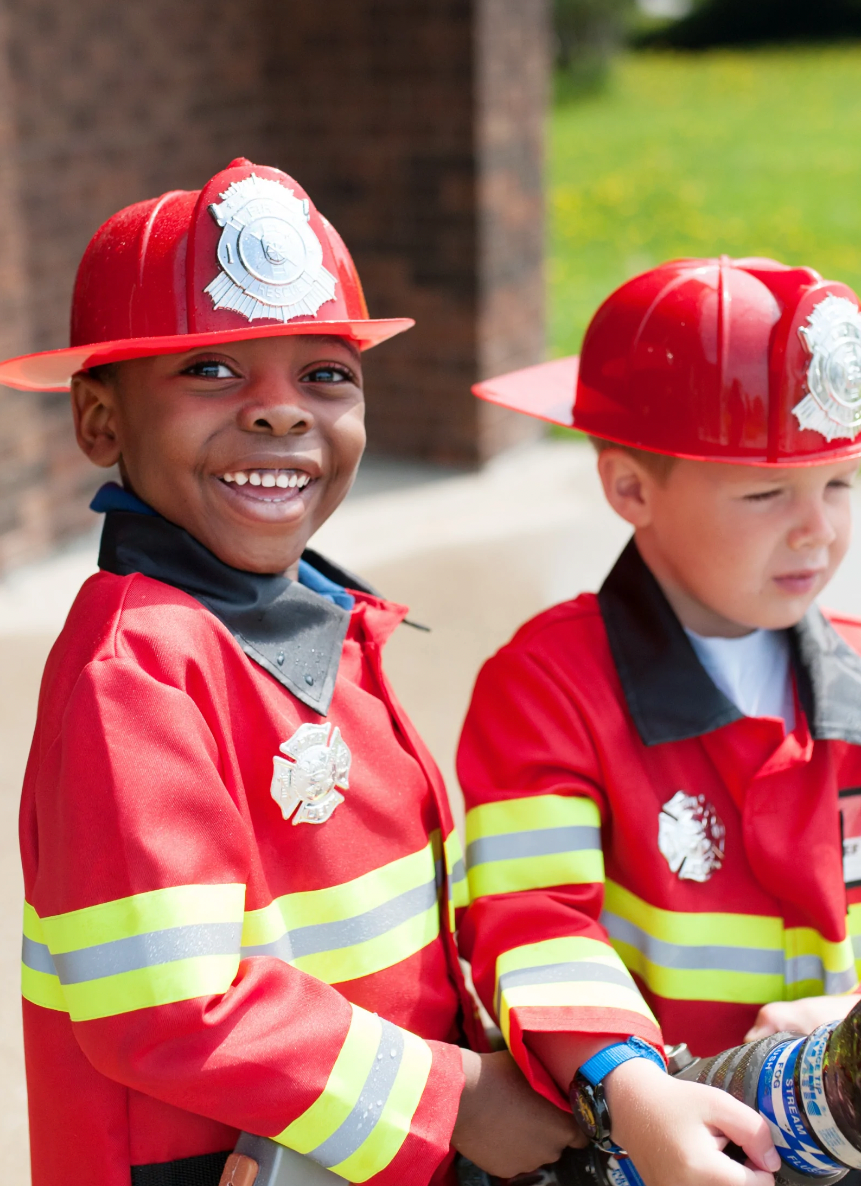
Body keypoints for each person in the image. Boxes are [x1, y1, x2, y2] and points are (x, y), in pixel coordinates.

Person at [0, 159, 580, 1186]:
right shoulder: (134, 670)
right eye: (212, 371)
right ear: (99, 422)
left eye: (325, 374)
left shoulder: (322, 622)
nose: (279, 412)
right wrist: (453, 1099)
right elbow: (166, 1004)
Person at [457, 258, 861, 1186]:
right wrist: (631, 1092)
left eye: (840, 484)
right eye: (767, 495)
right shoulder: (547, 686)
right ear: (630, 489)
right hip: (650, 1152)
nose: (818, 531)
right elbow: (534, 918)